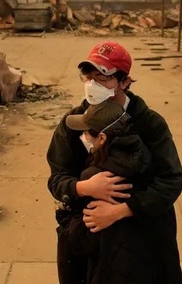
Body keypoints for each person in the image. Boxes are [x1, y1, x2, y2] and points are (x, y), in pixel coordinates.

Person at [47, 41, 182, 284]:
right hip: (88, 239)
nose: (92, 84)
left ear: (124, 82)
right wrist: (84, 188)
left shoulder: (150, 124)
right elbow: (57, 177)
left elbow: (170, 181)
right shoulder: (72, 122)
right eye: (88, 76)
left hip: (143, 240)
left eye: (103, 77)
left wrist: (120, 211)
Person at [63, 99, 152, 259]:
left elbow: (83, 236)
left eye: (86, 132)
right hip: (142, 251)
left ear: (102, 138)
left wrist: (64, 218)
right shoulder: (142, 156)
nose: (83, 136)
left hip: (110, 259)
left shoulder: (95, 177)